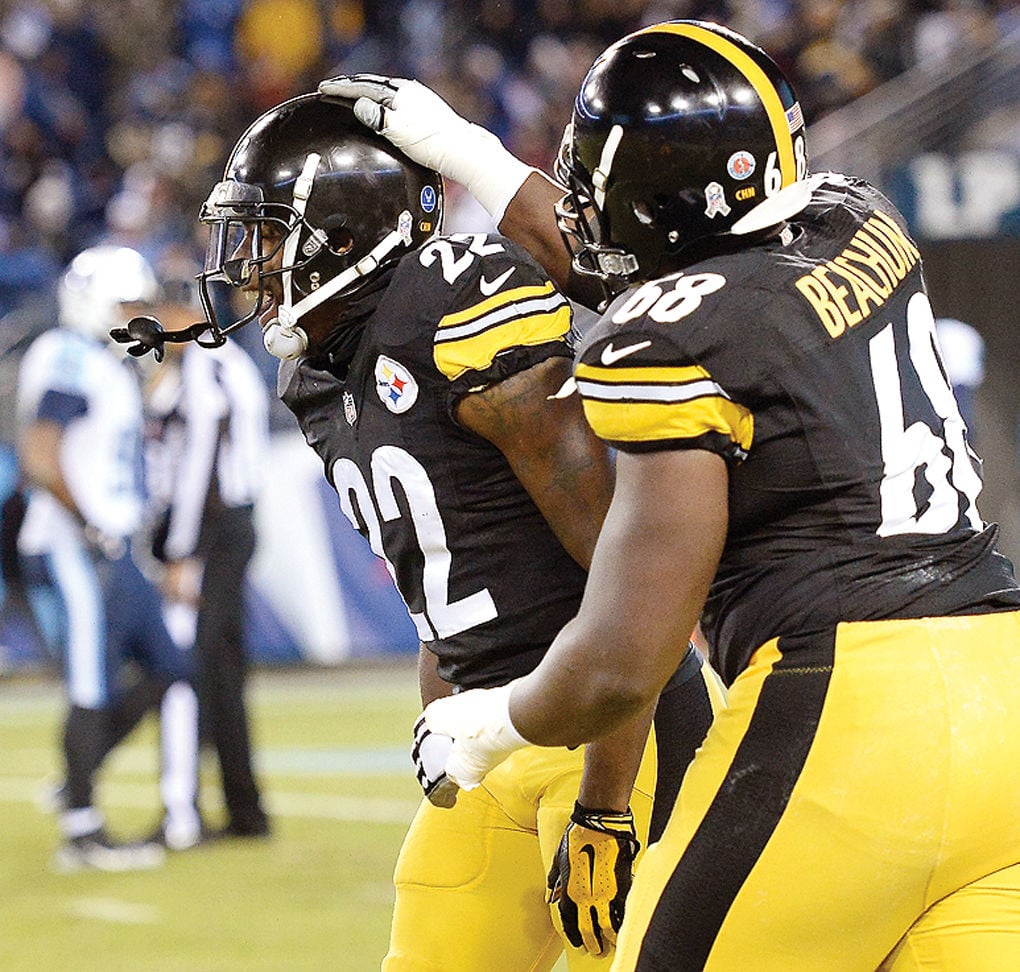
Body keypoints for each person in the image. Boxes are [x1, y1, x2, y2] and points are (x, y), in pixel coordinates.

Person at [323, 20, 1020, 970]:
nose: (580, 209)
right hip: (1001, 689)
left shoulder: (662, 343)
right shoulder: (856, 222)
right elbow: (667, 273)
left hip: (851, 711)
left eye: (599, 184)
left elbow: (625, 656)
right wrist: (470, 154)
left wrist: (492, 725)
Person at [113, 92, 724, 969]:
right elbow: (439, 585)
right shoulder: (318, 377)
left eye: (273, 236)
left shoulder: (455, 307)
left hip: (613, 725)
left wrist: (606, 802)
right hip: (494, 730)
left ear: (347, 233)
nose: (252, 266)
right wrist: (442, 726)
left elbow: (629, 584)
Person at [16, 244, 199, 870]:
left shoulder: (106, 362)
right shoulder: (67, 353)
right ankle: (82, 831)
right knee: (91, 683)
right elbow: (41, 454)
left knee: (169, 667)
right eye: (126, 302)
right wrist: (92, 527)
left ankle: (77, 776)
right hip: (76, 545)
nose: (136, 314)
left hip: (113, 546)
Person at [144, 265, 272, 841]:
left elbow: (201, 468)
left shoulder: (204, 364)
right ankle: (242, 810)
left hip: (217, 529)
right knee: (219, 673)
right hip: (233, 524)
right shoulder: (224, 361)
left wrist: (181, 550)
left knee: (191, 668)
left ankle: (194, 811)